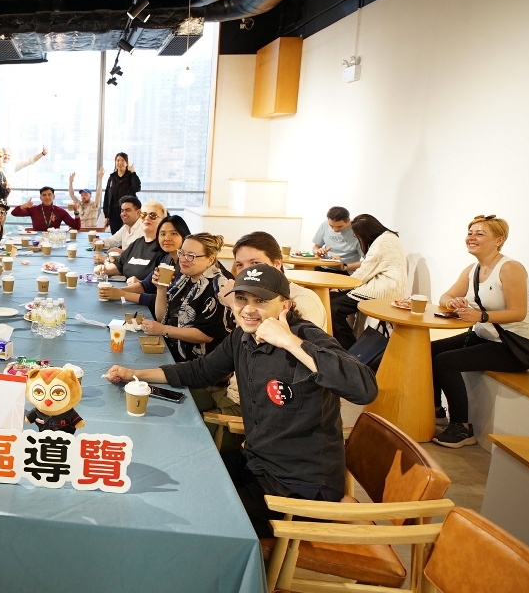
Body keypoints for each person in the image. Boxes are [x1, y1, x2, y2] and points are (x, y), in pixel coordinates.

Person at [105, 264, 378, 538]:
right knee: (178, 478)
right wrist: (134, 374)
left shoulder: (306, 337)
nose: (248, 309)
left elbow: (364, 389)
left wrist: (289, 342)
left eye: (261, 301)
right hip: (256, 462)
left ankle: (331, 512)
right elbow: (200, 371)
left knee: (197, 517)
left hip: (299, 484)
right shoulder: (242, 336)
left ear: (285, 305)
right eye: (241, 299)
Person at [430, 215, 529, 448]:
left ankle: (462, 427)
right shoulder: (473, 270)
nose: (471, 237)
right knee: (429, 350)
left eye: (479, 234)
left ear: (499, 240)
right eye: (470, 232)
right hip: (485, 336)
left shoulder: (510, 268)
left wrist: (481, 316)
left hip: (515, 345)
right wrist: (453, 303)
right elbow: (445, 296)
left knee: (445, 361)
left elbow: (518, 312)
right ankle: (436, 410)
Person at [139, 232, 234, 411]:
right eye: (182, 253)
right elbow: (161, 317)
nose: (183, 259)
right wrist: (161, 289)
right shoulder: (185, 278)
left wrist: (164, 330)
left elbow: (205, 335)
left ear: (210, 259)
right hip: (172, 355)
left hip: (199, 372)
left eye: (191, 256)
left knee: (144, 393)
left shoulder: (219, 287)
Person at [328, 214, 407, 350]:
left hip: (383, 289)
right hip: (384, 286)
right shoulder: (389, 237)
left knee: (333, 307)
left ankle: (349, 349)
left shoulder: (381, 243)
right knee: (333, 300)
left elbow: (363, 273)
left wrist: (340, 288)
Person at [221, 231, 327, 328]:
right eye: (239, 265)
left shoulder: (304, 300)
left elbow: (297, 341)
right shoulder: (239, 295)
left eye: (255, 263)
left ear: (276, 264)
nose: (247, 271)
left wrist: (233, 305)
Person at [107, 215, 184, 313]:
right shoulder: (167, 258)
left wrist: (123, 294)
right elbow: (146, 285)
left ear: (184, 235)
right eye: (163, 234)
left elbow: (166, 301)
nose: (167, 238)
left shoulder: (186, 265)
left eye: (173, 233)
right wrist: (116, 291)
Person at [96, 201, 167, 281]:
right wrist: (104, 269)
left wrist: (141, 284)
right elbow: (119, 265)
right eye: (143, 215)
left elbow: (164, 284)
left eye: (153, 215)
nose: (147, 218)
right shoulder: (137, 243)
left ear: (163, 221)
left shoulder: (164, 247)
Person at [312, 206, 364, 272]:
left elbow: (368, 261)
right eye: (331, 226)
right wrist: (318, 251)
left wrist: (344, 266)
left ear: (348, 221)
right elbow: (315, 247)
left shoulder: (358, 231)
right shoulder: (325, 224)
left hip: (346, 271)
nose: (335, 230)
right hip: (324, 267)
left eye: (339, 226)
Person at [100, 153, 141, 234]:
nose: (120, 163)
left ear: (126, 163)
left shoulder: (131, 176)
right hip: (113, 212)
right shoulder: (112, 177)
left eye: (123, 160)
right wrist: (106, 215)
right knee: (115, 234)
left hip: (127, 210)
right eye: (118, 160)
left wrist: (133, 172)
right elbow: (107, 195)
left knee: (127, 233)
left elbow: (137, 188)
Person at [10, 186, 80, 231]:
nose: (47, 197)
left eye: (49, 195)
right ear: (40, 198)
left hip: (54, 239)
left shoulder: (60, 211)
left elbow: (76, 226)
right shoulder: (34, 209)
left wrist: (76, 211)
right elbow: (14, 213)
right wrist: (24, 205)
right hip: (37, 240)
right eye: (44, 195)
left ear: (54, 197)